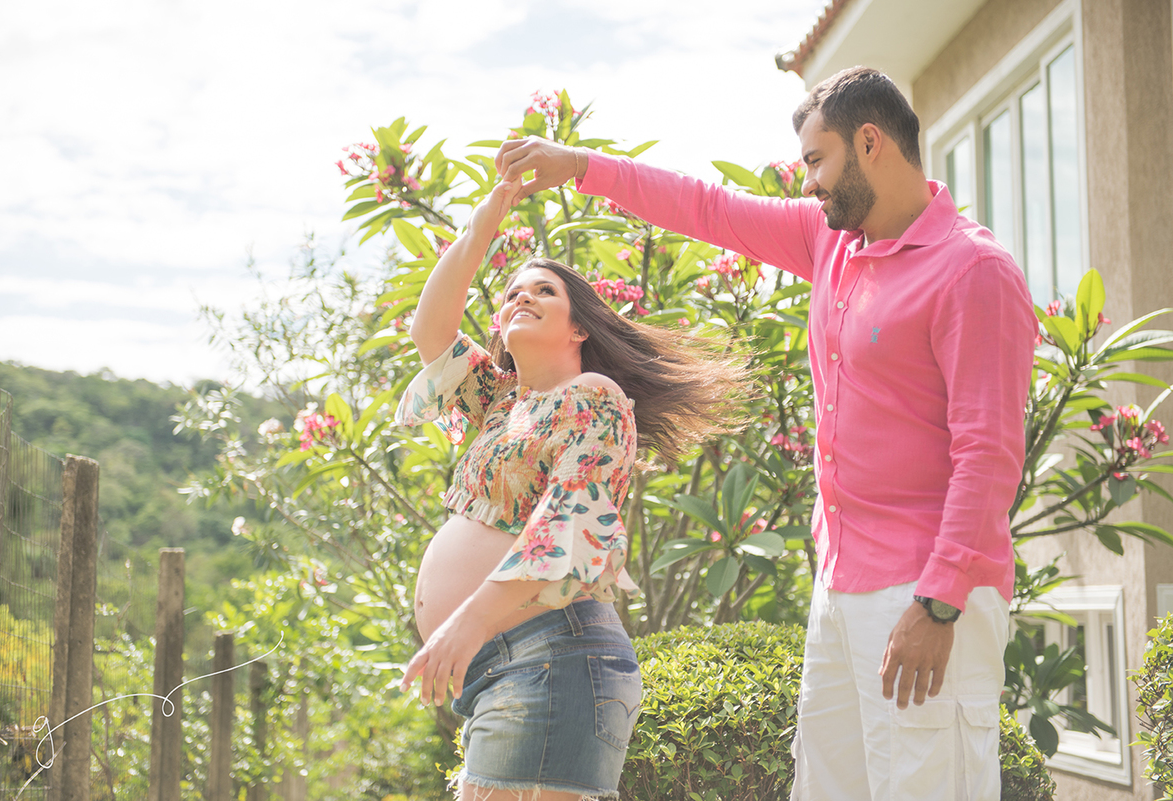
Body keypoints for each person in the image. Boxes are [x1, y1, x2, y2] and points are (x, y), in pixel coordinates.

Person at [496, 66, 1038, 801]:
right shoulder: (830, 243)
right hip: (840, 583)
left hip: (927, 592)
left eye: (818, 161)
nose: (809, 185)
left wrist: (939, 603)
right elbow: (708, 207)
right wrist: (581, 166)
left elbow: (989, 453)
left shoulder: (973, 270)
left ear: (870, 143)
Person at [395, 175, 746, 800]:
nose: (522, 297)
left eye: (544, 290)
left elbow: (567, 527)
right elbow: (431, 332)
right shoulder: (500, 402)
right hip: (506, 666)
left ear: (579, 328)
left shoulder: (592, 397)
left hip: (550, 657)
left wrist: (466, 623)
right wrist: (484, 221)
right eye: (512, 292)